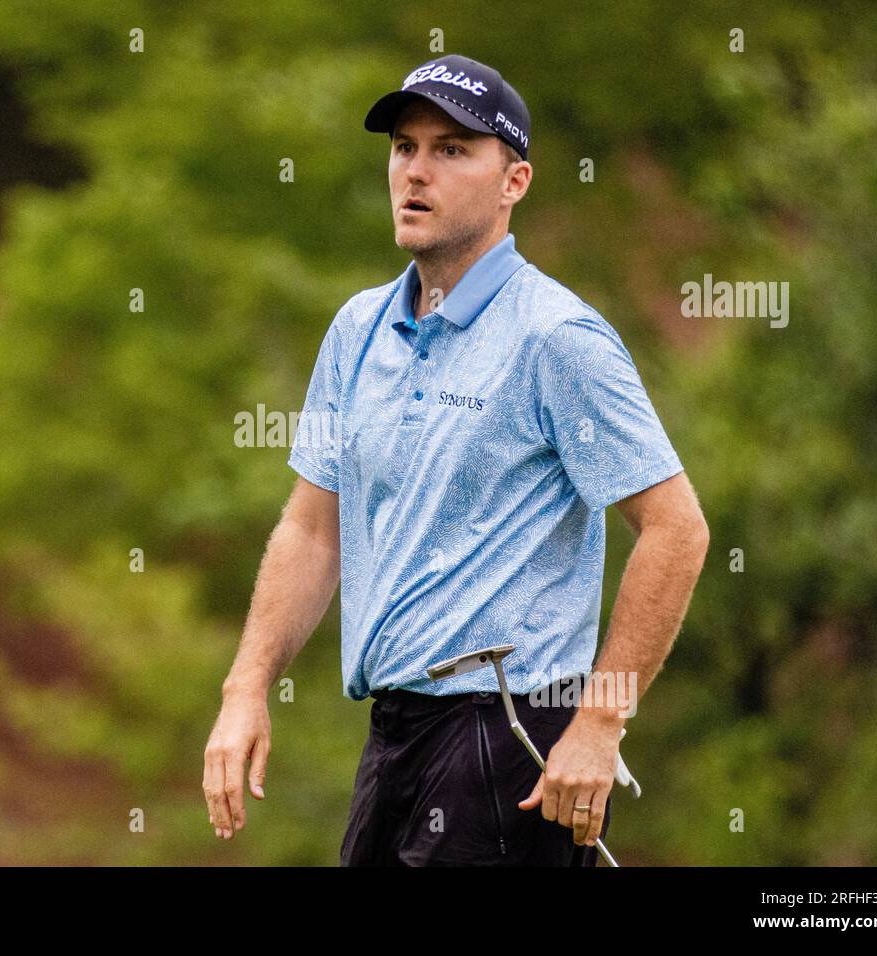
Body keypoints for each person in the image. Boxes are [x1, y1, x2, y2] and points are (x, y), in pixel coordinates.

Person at [203, 54, 709, 865]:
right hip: (395, 737)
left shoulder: (556, 339)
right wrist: (244, 689)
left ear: (515, 181)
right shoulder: (357, 330)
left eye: (451, 149)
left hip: (512, 738)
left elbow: (677, 530)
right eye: (405, 147)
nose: (416, 170)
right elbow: (312, 532)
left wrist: (601, 722)